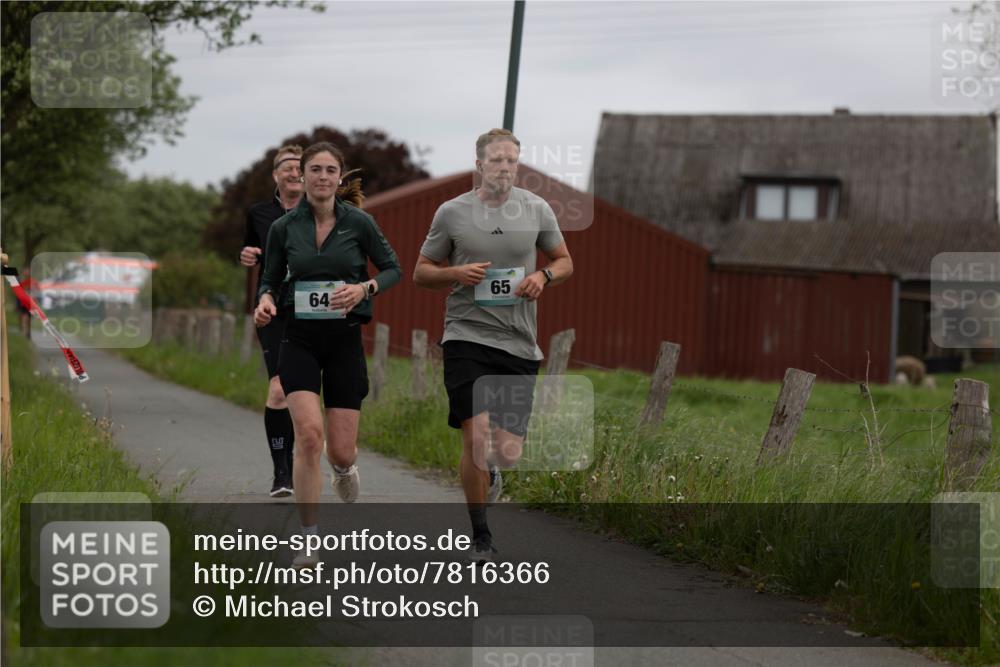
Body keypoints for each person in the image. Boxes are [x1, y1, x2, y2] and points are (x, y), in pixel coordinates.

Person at [413, 128, 574, 562]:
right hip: (466, 334)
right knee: (475, 434)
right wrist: (455, 275)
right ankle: (480, 535)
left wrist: (543, 276)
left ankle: (496, 470)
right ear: (479, 164)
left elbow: (565, 261)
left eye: (511, 160)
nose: (504, 167)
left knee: (507, 449)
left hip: (518, 341)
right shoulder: (452, 213)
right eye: (497, 160)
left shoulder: (536, 209)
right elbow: (422, 272)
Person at [254, 142, 401, 567]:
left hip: (344, 340)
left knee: (340, 449)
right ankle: (308, 538)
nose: (321, 176)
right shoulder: (284, 227)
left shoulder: (360, 223)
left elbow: (393, 268)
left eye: (329, 170)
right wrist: (265, 302)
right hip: (297, 339)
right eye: (314, 169)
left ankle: (342, 468)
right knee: (309, 436)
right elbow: (269, 279)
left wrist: (364, 288)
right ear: (301, 176)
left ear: (339, 178)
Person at [240, 144, 304, 498]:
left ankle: (305, 457)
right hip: (272, 308)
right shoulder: (259, 213)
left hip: (312, 309)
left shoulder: (323, 212)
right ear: (276, 175)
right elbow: (251, 250)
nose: (294, 172)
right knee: (279, 387)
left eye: (300, 166)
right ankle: (282, 472)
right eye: (287, 167)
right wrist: (246, 255)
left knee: (300, 390)